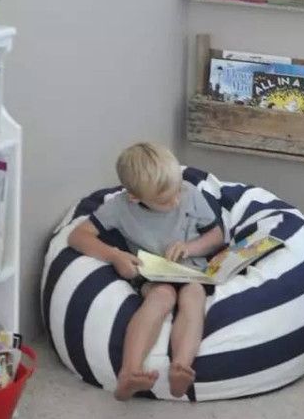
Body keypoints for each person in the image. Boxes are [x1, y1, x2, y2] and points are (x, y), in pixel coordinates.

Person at [67, 142, 224, 400]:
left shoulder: (189, 193)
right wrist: (115, 255)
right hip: (152, 274)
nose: (176, 201)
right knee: (161, 297)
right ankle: (129, 372)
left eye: (177, 190)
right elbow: (77, 236)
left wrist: (190, 247)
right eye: (164, 200)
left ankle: (181, 367)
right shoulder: (119, 208)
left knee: (193, 295)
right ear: (135, 197)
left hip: (191, 271)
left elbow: (217, 236)